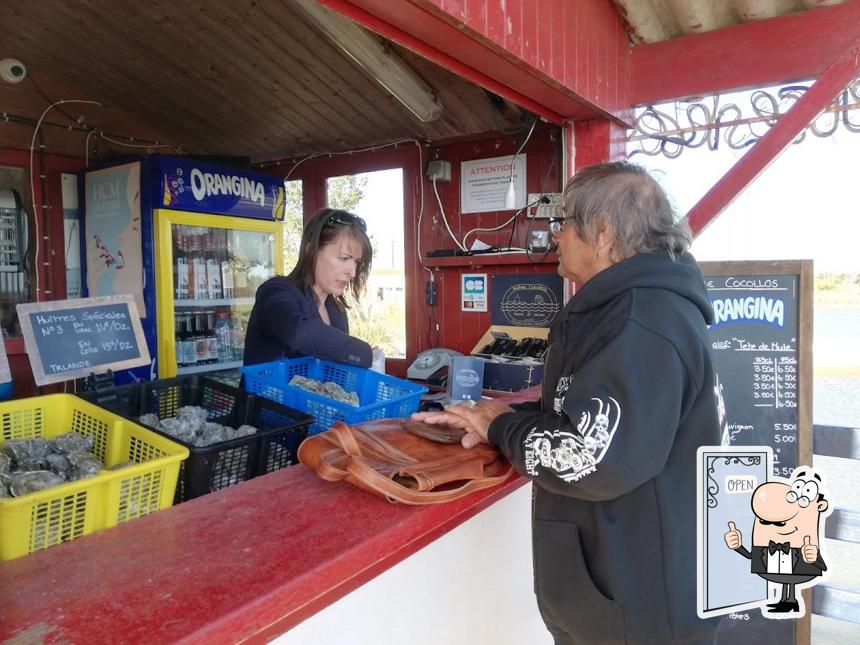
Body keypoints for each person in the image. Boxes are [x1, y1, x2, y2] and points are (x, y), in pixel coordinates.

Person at [413, 161, 723, 644]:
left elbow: (588, 457)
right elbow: (588, 415)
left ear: (601, 234)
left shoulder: (643, 322)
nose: (555, 237)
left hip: (639, 608)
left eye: (563, 224)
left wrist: (502, 430)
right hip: (621, 596)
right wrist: (495, 417)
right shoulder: (629, 311)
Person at [243, 208, 374, 367]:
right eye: (344, 258)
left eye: (356, 262)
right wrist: (365, 353)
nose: (352, 272)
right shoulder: (275, 292)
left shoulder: (336, 310)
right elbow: (299, 332)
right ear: (311, 252)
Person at [725, 469, 829, 615]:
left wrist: (813, 557)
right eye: (764, 522)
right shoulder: (764, 547)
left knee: (791, 579)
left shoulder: (805, 545)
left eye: (780, 523)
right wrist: (737, 546)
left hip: (798, 568)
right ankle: (786, 601)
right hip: (775, 569)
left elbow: (822, 567)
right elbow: (751, 556)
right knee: (787, 579)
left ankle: (791, 601)